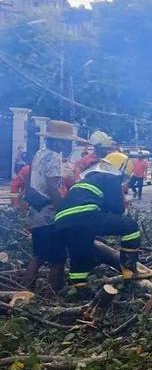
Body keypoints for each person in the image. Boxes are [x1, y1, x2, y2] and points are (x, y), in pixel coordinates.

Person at [53, 152, 152, 288]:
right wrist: (124, 209)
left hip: (62, 221)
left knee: (81, 257)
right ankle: (130, 269)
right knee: (130, 226)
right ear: (121, 170)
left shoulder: (89, 178)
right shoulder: (110, 177)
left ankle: (78, 289)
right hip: (84, 216)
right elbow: (116, 208)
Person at [22, 121, 88, 289]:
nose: (68, 145)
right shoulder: (53, 157)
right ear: (58, 141)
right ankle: (56, 297)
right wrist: (63, 210)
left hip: (36, 211)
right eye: (66, 142)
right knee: (58, 260)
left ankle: (26, 293)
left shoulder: (39, 153)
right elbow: (53, 187)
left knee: (38, 256)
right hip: (49, 214)